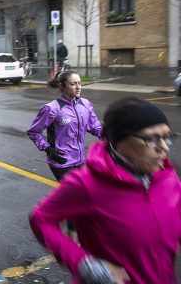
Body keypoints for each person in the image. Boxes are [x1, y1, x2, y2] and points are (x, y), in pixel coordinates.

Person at [29, 97, 180, 284]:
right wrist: (85, 264)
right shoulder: (85, 184)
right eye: (150, 139)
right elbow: (40, 219)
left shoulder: (166, 176)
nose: (163, 148)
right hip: (67, 161)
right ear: (120, 142)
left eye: (167, 137)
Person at [27, 70, 102, 181]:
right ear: (62, 86)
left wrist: (112, 137)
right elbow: (34, 131)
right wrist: (48, 150)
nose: (78, 87)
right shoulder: (52, 108)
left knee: (85, 193)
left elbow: (95, 126)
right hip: (61, 162)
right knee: (74, 195)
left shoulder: (85, 104)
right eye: (73, 84)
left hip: (81, 160)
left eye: (79, 83)